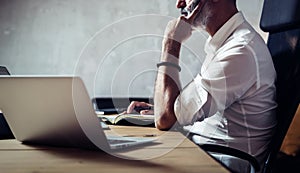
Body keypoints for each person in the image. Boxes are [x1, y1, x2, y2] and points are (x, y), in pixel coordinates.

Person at [127, 0, 277, 172]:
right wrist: (164, 108)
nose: (179, 4)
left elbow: (164, 119)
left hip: (219, 163)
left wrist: (171, 43)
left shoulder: (240, 50)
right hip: (201, 151)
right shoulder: (226, 44)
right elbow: (174, 114)